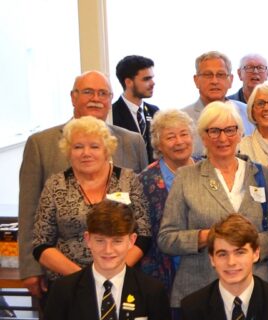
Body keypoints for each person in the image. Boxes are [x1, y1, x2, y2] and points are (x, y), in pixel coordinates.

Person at [19, 70, 148, 298]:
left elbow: (142, 220)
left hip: (122, 276)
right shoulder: (41, 144)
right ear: (72, 97)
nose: (96, 98)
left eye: (103, 93)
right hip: (63, 278)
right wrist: (30, 268)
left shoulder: (132, 141)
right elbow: (28, 211)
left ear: (110, 99)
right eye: (88, 92)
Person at [158, 101, 268, 311]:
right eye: (214, 131)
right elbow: (166, 239)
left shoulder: (263, 176)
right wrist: (210, 237)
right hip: (200, 291)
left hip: (255, 292)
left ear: (241, 133)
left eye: (230, 130)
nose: (223, 138)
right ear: (203, 136)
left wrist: (244, 245)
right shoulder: (186, 178)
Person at [32, 116, 151, 282]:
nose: (86, 153)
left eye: (94, 146)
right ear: (68, 151)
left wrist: (113, 274)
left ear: (106, 150)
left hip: (121, 279)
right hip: (69, 282)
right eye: (78, 147)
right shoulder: (55, 185)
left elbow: (144, 235)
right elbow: (41, 244)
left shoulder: (128, 180)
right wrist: (85, 278)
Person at [41, 201, 168, 320]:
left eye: (117, 241)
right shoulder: (63, 290)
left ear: (131, 241)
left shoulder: (152, 291)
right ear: (88, 239)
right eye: (100, 241)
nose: (108, 250)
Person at [138, 109, 196, 295]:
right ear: (158, 144)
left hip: (206, 269)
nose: (179, 142)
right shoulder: (144, 181)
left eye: (184, 134)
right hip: (162, 272)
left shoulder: (208, 169)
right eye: (170, 137)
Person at [181, 51, 253, 158]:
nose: (214, 81)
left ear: (231, 80)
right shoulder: (183, 118)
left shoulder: (247, 113)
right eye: (207, 75)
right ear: (196, 80)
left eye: (220, 75)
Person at [112, 55, 158, 158]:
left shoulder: (155, 112)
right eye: (146, 79)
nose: (153, 83)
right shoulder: (112, 115)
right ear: (128, 82)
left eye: (152, 78)